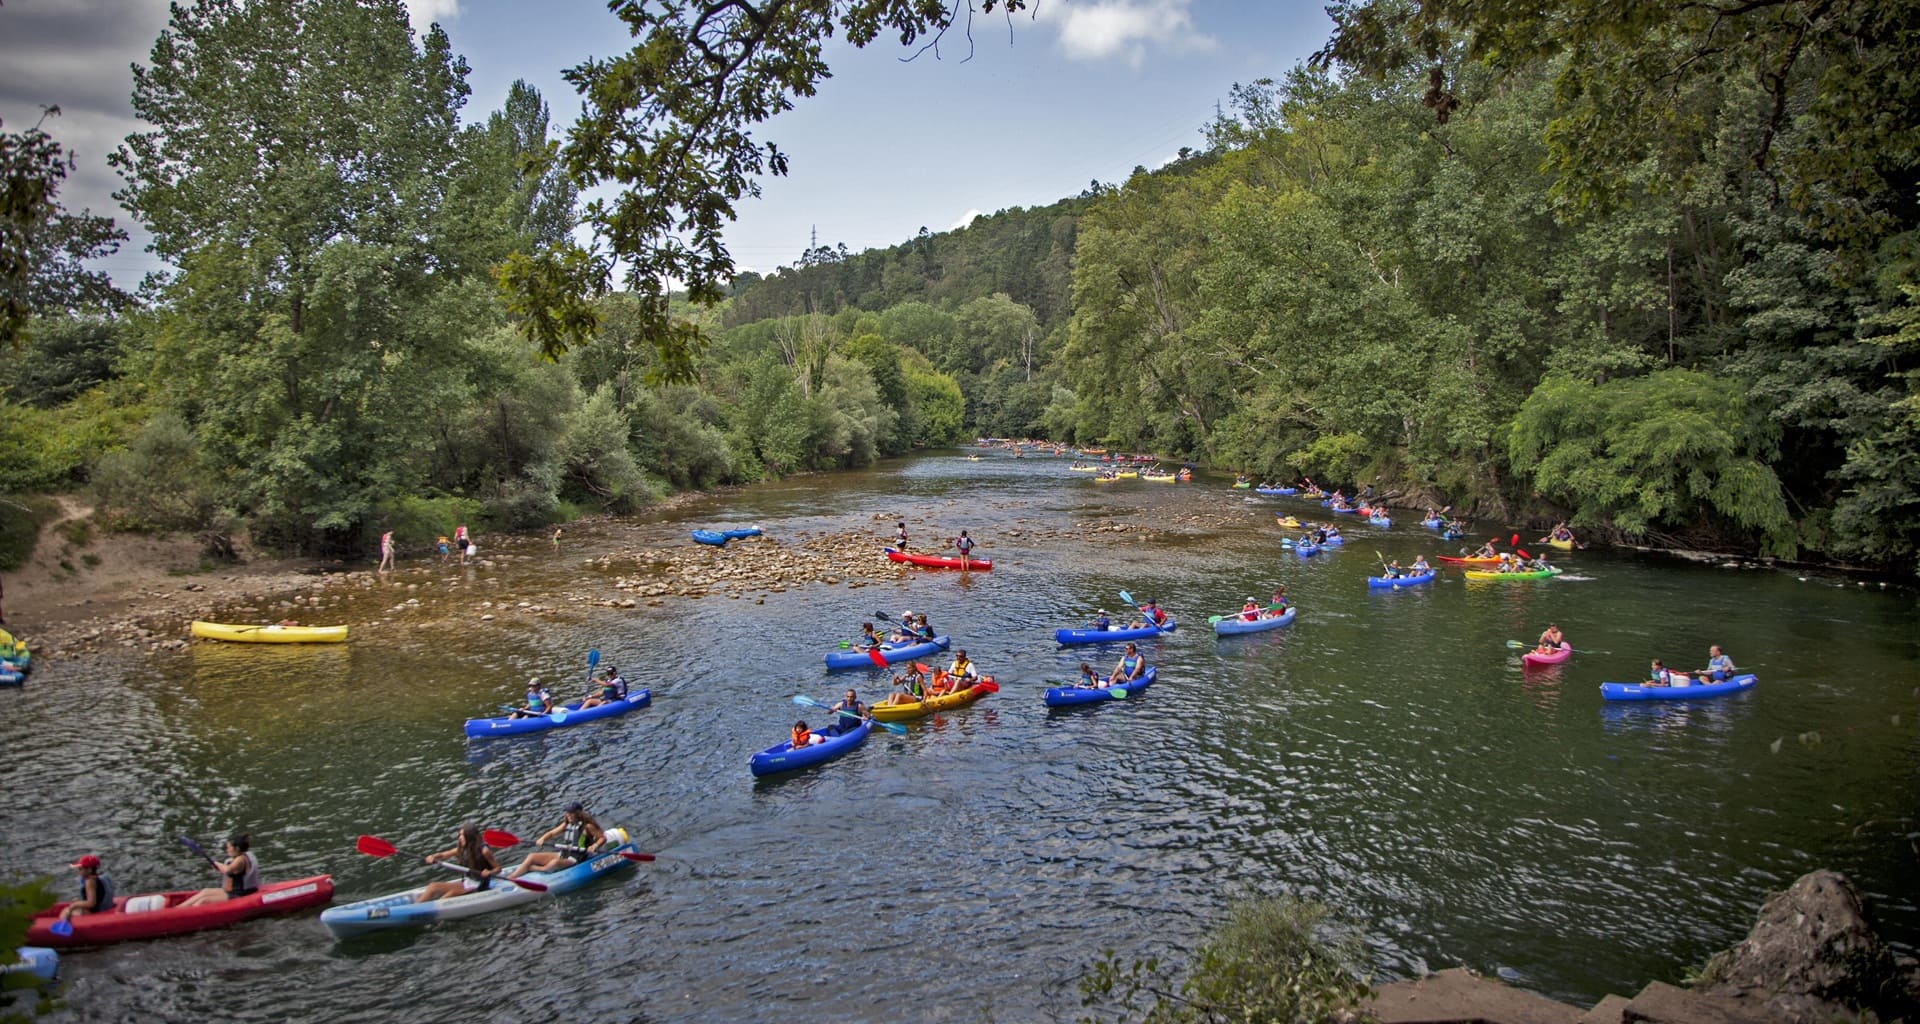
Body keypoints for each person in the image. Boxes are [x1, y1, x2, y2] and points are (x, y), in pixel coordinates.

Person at [506, 803, 605, 879]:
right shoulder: (567, 824)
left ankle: (535, 868)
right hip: (564, 853)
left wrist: (594, 846)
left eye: (571, 813)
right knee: (531, 856)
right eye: (567, 813)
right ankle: (513, 877)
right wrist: (542, 838)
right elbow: (552, 833)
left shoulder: (588, 827)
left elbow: (602, 838)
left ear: (578, 814)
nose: (568, 815)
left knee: (554, 863)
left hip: (576, 858)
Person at [415, 824, 498, 903]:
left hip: (480, 886)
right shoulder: (462, 850)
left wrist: (489, 872)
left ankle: (434, 911)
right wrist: (433, 856)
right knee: (433, 886)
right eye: (460, 835)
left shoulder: (484, 851)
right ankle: (415, 908)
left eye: (463, 835)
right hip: (467, 883)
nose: (460, 838)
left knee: (448, 896)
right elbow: (443, 855)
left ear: (470, 837)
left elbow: (498, 869)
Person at [181, 834, 258, 907]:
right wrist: (218, 867)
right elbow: (230, 871)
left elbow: (228, 870)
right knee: (205, 891)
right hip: (229, 891)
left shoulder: (240, 859)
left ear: (237, 848)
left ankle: (183, 914)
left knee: (204, 900)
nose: (227, 850)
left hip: (237, 894)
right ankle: (178, 908)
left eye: (228, 847)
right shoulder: (237, 857)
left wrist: (216, 863)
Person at [57, 854, 113, 926]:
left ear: (89, 869)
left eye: (80, 869)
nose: (78, 871)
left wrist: (75, 905)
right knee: (75, 903)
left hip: (96, 912)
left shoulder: (89, 882)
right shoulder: (100, 877)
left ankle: (62, 930)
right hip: (104, 908)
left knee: (65, 911)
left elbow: (91, 903)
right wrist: (80, 902)